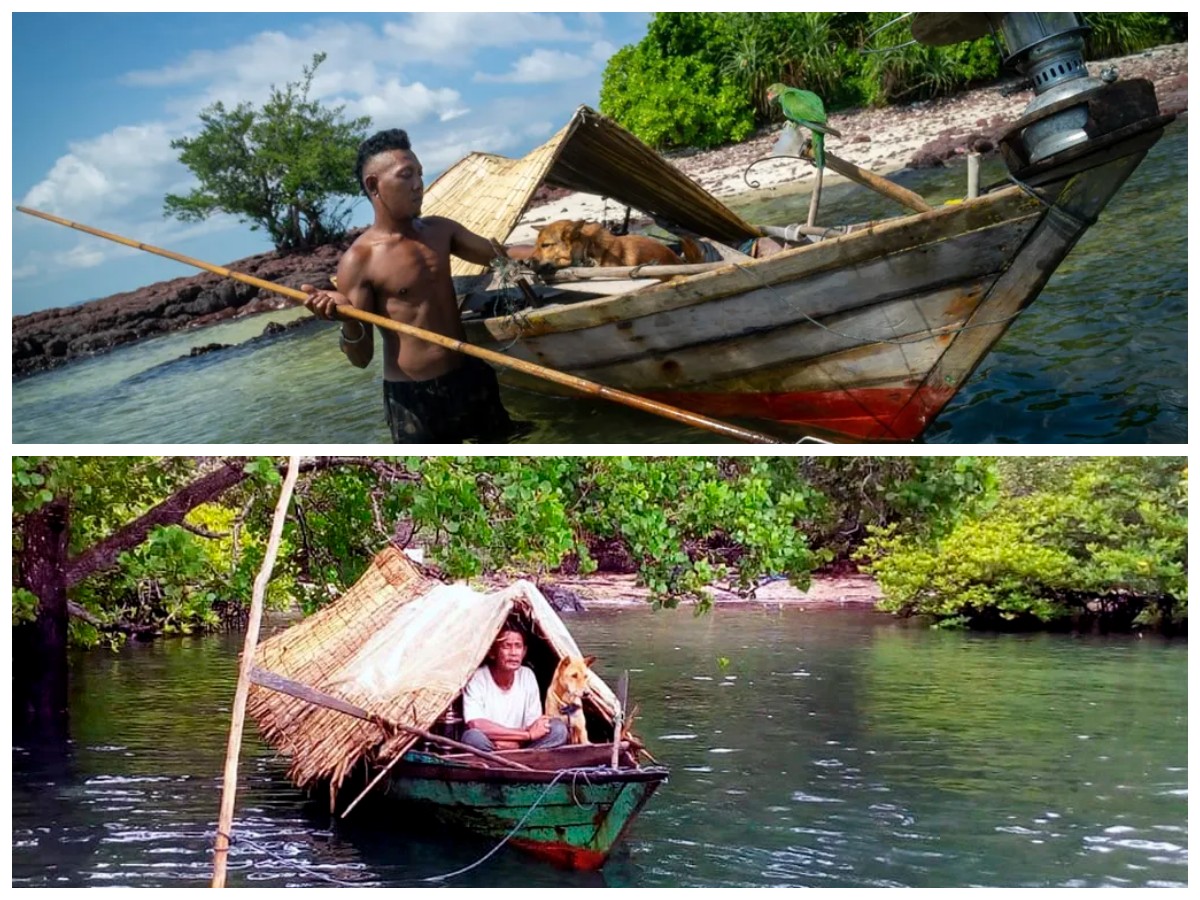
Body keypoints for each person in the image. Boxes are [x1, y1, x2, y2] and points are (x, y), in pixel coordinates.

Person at [302, 128, 525, 443]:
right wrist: (346, 319)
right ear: (373, 185)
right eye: (406, 175)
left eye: (419, 173)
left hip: (469, 375)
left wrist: (559, 246)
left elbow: (502, 256)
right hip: (414, 398)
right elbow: (361, 359)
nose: (418, 184)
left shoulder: (441, 231)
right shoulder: (360, 260)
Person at [460, 624, 567, 752]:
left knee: (558, 729)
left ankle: (511, 759)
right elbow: (476, 724)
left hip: (521, 746)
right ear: (492, 652)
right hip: (491, 744)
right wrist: (526, 735)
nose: (513, 653)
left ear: (524, 652)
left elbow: (534, 725)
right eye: (506, 646)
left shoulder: (527, 675)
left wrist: (517, 741)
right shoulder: (477, 677)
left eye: (518, 646)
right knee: (472, 737)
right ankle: (518, 760)